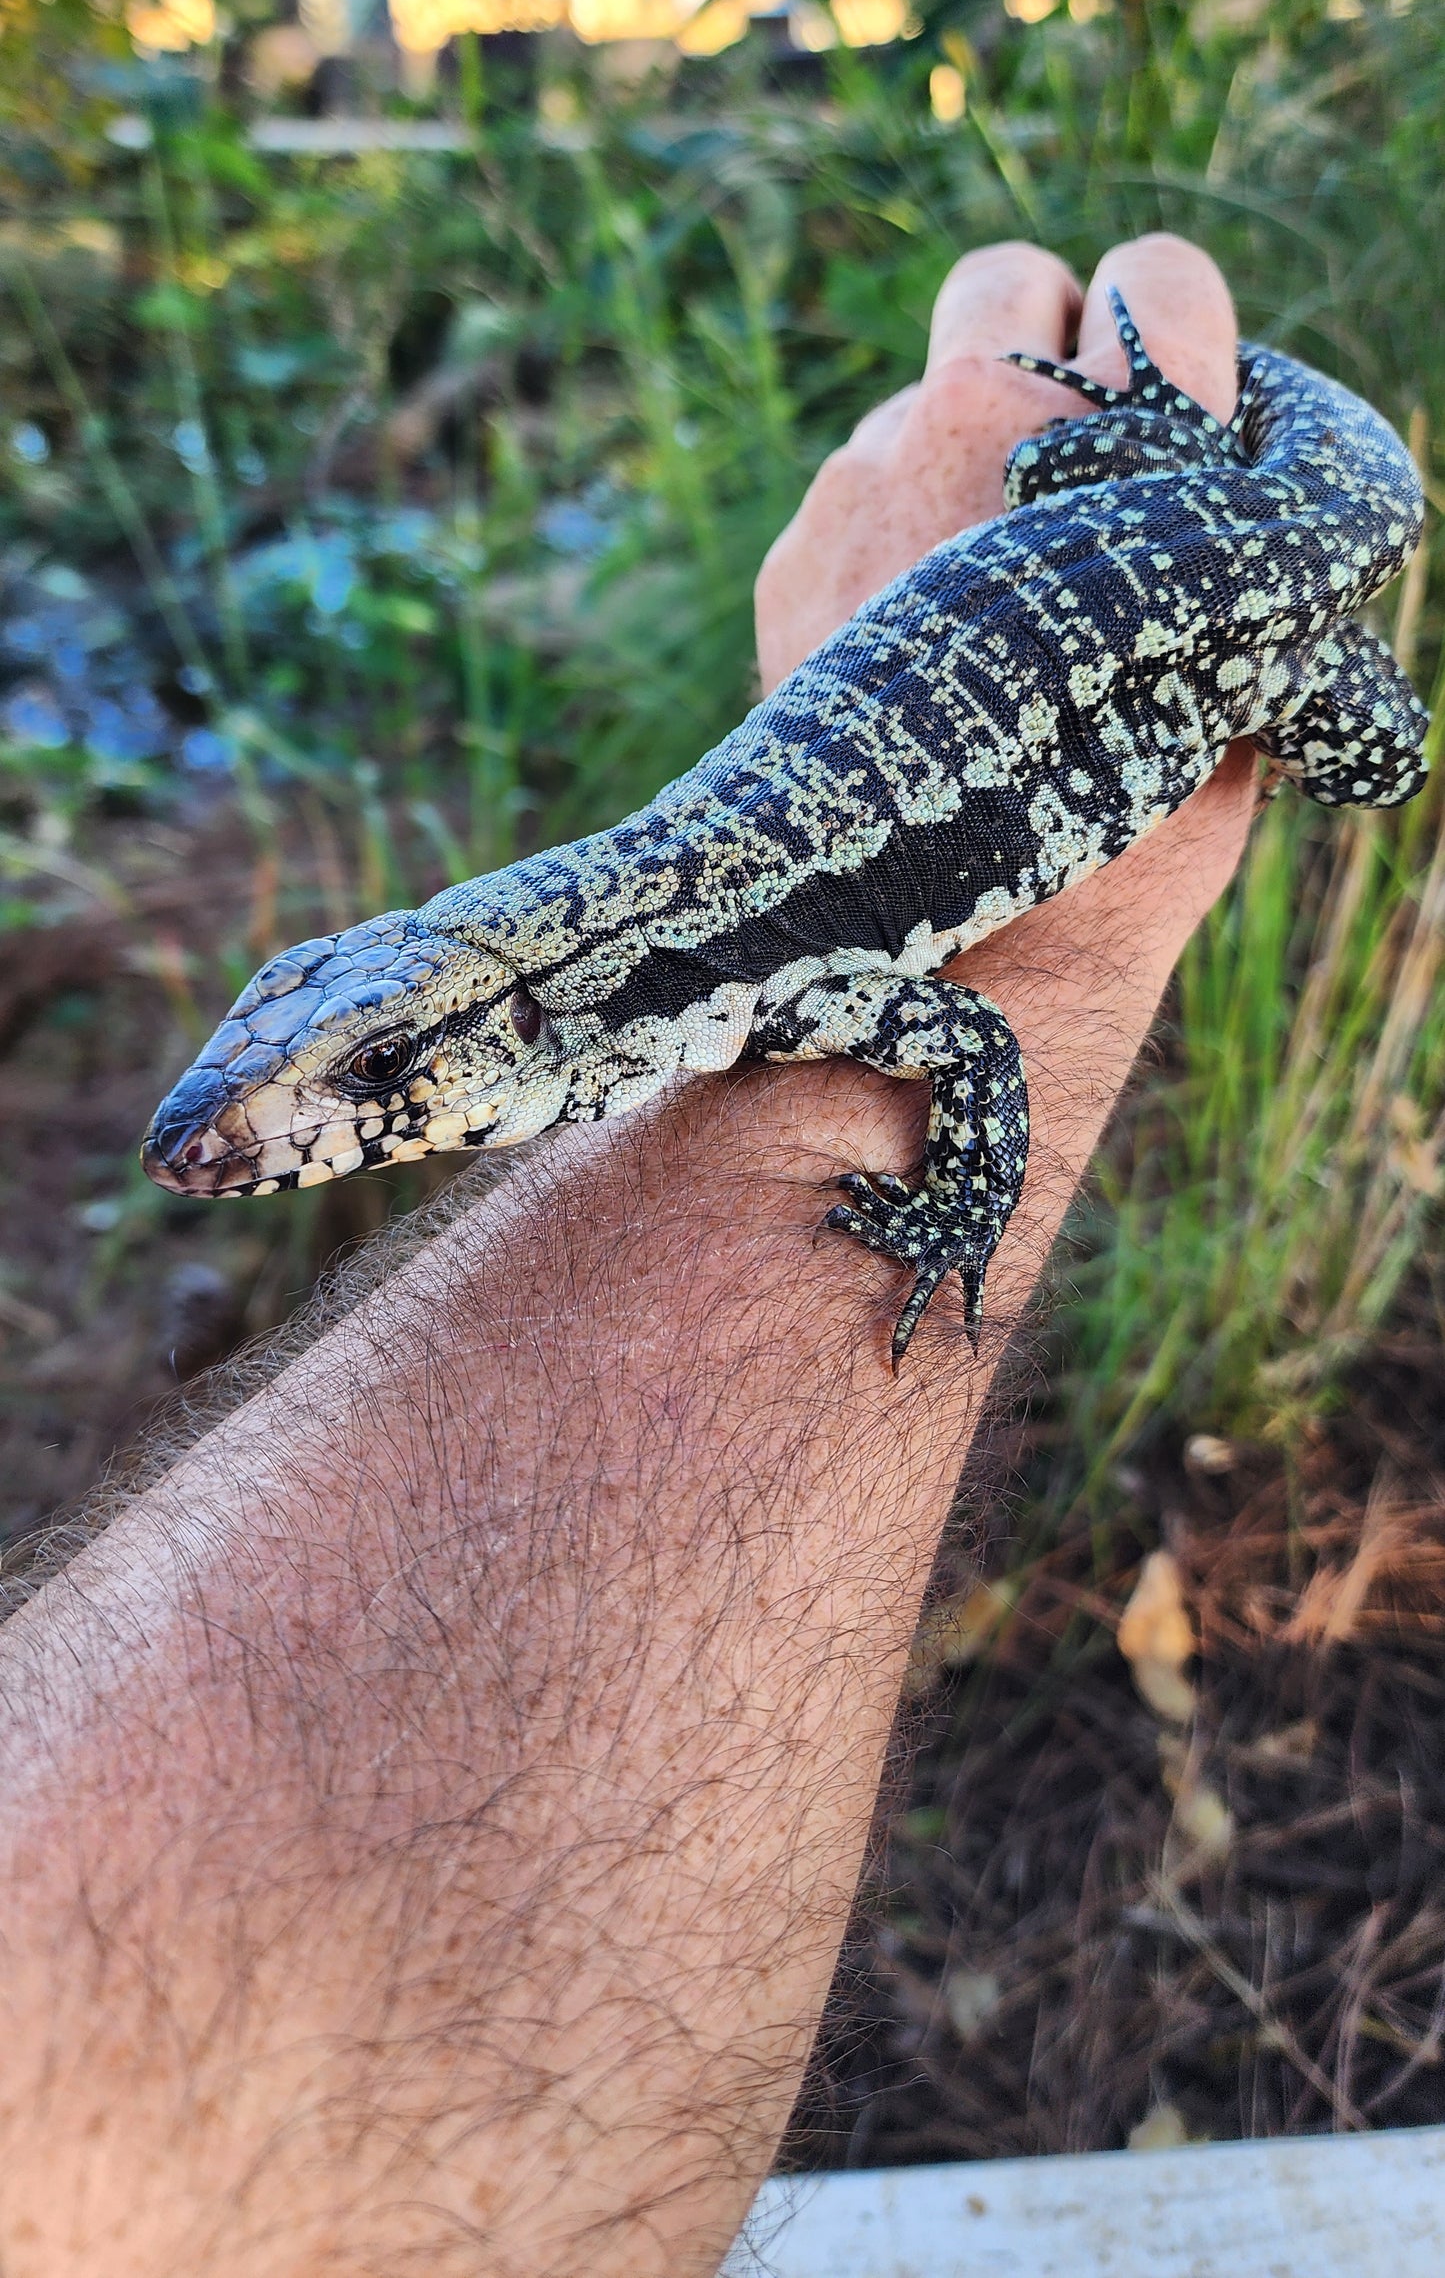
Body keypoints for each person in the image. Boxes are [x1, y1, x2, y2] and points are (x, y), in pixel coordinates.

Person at [0, 234, 1257, 2276]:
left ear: (508, 1020)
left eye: (374, 1070)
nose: (257, 1133)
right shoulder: (682, 983)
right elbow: (935, 1016)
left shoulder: (722, 968)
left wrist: (947, 1209)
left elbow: (954, 1026)